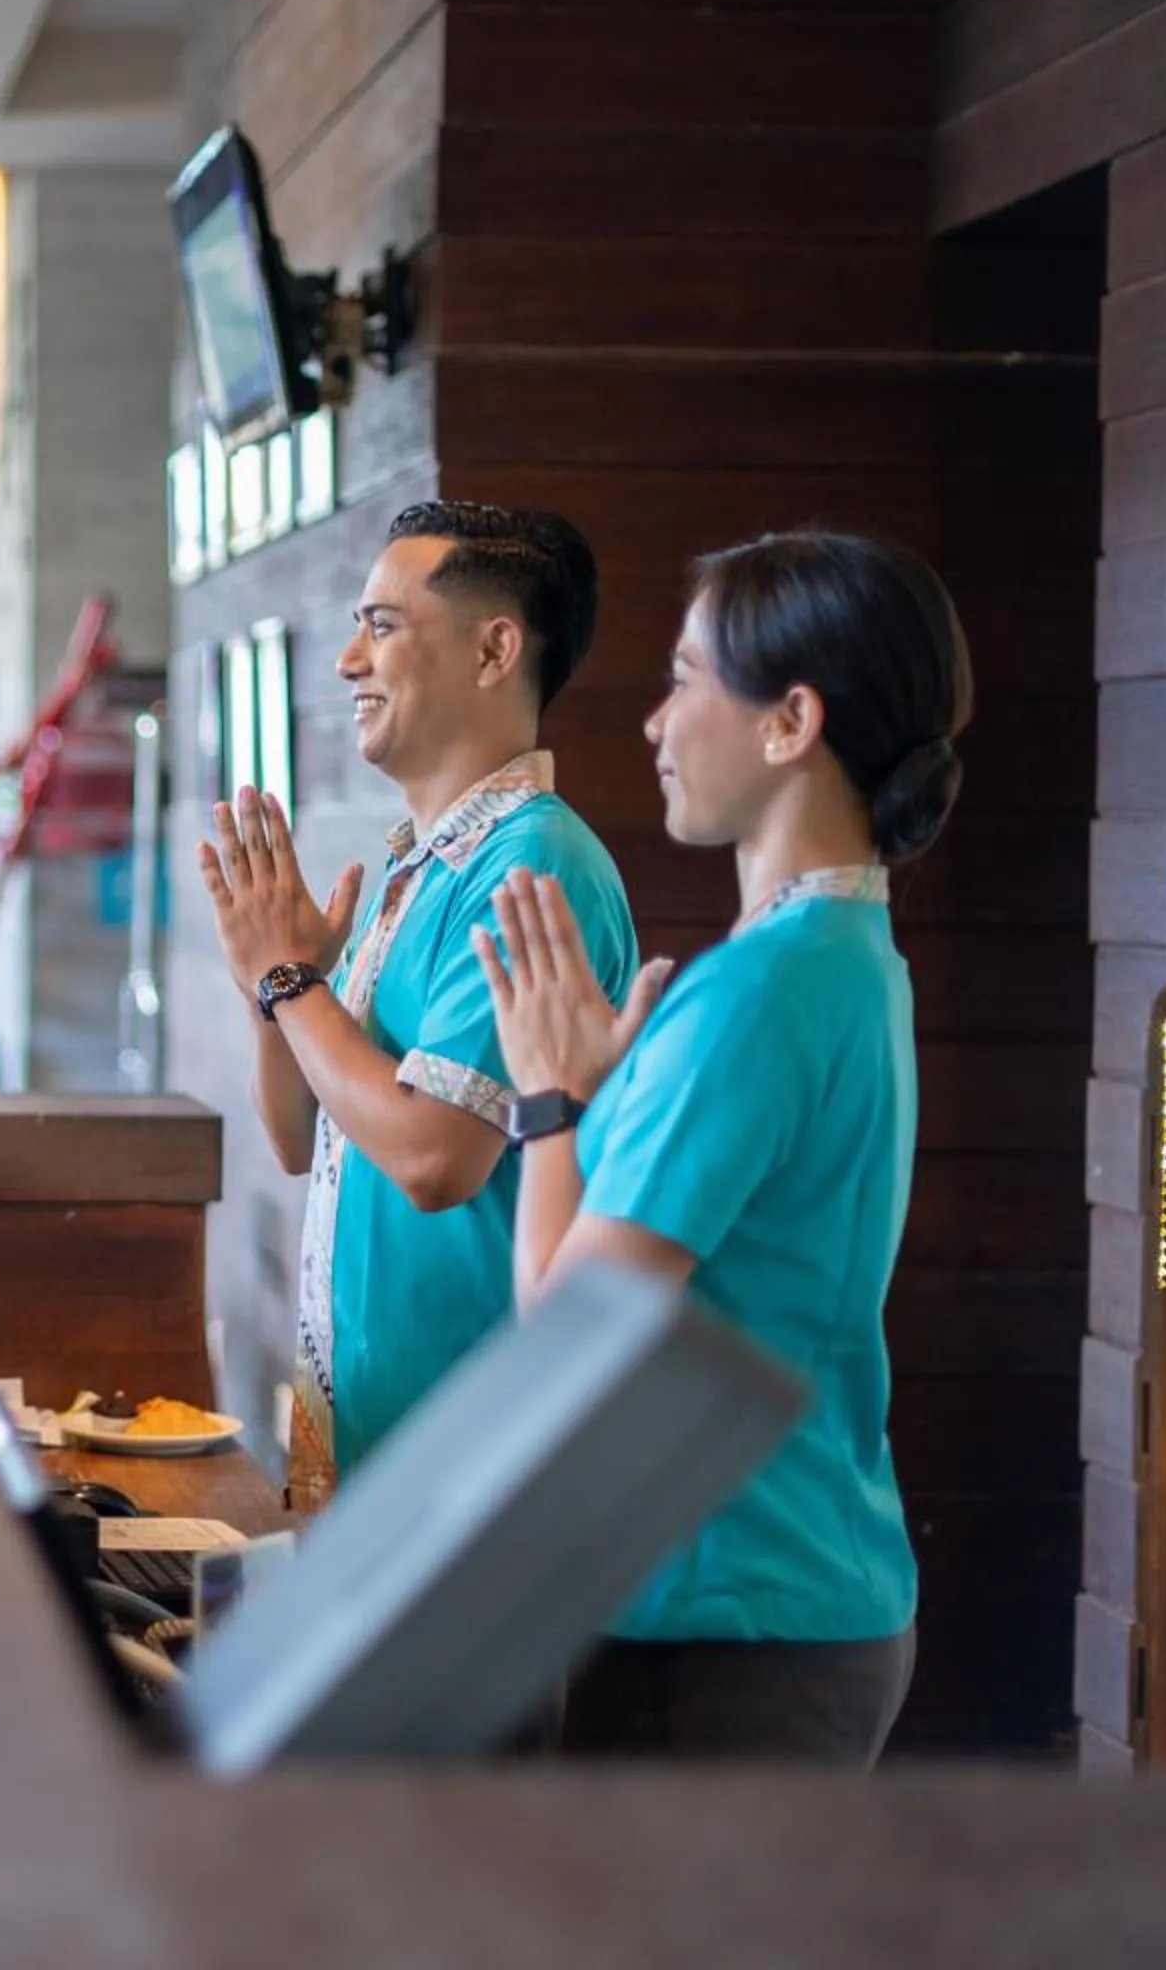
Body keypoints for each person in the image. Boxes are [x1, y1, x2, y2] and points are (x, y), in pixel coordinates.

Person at [477, 528, 970, 1765]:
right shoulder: (847, 958)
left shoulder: (755, 992)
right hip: (792, 1593)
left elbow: (568, 1337)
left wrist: (546, 1102)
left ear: (789, 719)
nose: (655, 722)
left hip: (720, 1610)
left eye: (688, 677)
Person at [198, 501, 640, 1512]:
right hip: (381, 1433)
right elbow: (300, 1134)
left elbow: (436, 1158)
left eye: (383, 625)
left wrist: (292, 984)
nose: (350, 659)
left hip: (470, 1453)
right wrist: (279, 988)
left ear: (494, 649)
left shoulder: (532, 861)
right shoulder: (419, 865)